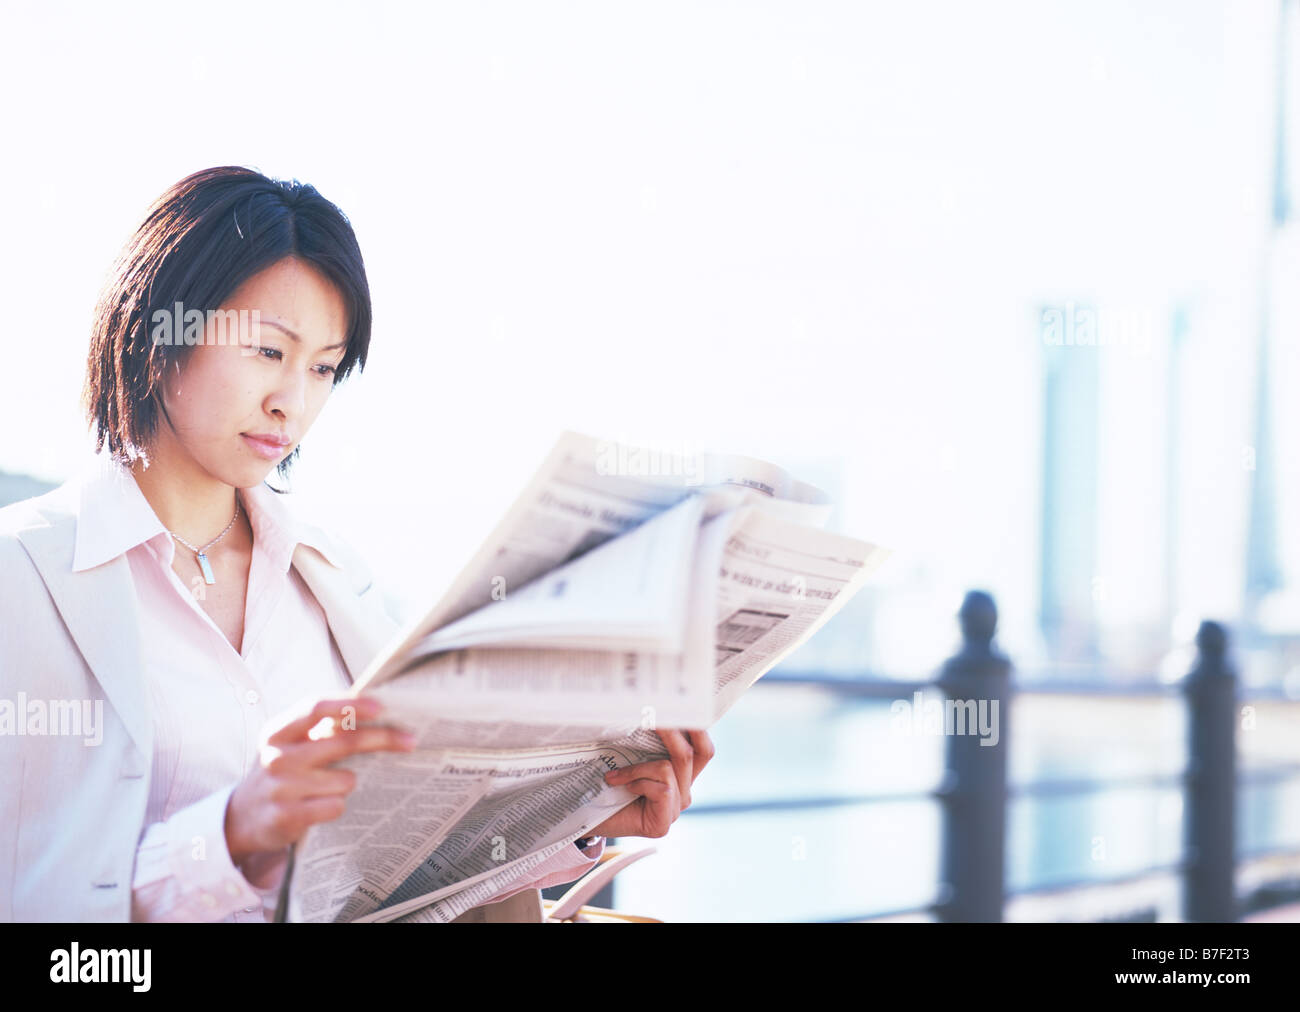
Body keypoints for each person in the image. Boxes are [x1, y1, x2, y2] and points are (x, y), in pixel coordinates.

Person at [0, 165, 714, 922]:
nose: (293, 401)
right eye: (268, 353)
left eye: (324, 369)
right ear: (160, 329)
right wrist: (234, 834)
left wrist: (572, 817)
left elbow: (407, 854)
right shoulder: (27, 576)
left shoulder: (333, 580)